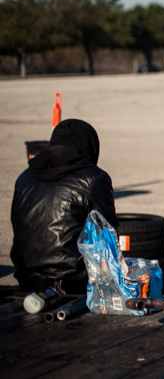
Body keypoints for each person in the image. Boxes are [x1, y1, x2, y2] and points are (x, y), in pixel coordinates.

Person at [11, 119, 118, 295]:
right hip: (74, 282)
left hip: (27, 279)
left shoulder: (24, 177)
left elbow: (17, 225)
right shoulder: (94, 178)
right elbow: (108, 233)